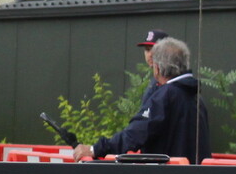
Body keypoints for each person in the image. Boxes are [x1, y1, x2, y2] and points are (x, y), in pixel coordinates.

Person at [74, 36, 209, 161]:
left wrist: (95, 149)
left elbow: (135, 134)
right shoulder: (196, 98)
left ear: (157, 68)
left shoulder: (165, 96)